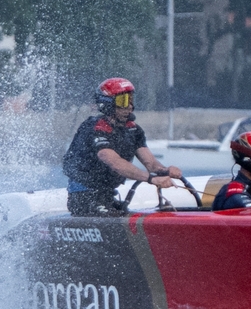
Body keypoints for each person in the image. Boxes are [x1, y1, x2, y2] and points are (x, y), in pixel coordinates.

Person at [62, 77, 182, 216]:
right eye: (123, 101)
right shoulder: (94, 128)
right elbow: (115, 163)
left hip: (107, 196)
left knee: (121, 213)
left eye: (131, 100)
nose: (130, 106)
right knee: (111, 217)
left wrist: (165, 170)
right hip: (83, 198)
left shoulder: (133, 130)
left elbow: (151, 163)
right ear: (107, 105)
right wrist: (151, 179)